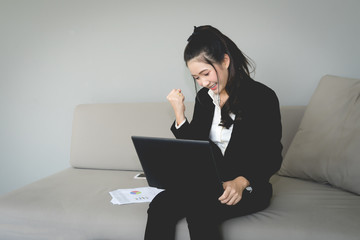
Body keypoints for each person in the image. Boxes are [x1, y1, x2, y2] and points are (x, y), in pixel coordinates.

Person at [144, 25, 283, 240]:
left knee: (200, 211)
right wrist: (180, 116)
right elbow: (196, 151)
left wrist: (242, 180)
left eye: (205, 73)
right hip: (208, 184)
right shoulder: (204, 99)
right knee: (160, 204)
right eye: (196, 77)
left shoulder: (262, 97)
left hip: (246, 186)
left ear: (225, 61)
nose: (203, 82)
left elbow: (272, 154)